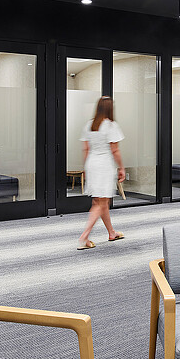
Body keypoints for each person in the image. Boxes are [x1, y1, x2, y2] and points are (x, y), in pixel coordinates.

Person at [77, 96, 126, 250]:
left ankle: (111, 233)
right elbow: (115, 150)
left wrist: (86, 168)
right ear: (110, 108)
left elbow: (86, 149)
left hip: (92, 163)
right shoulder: (111, 125)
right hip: (104, 165)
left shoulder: (90, 125)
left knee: (101, 201)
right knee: (101, 202)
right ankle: (84, 237)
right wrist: (122, 167)